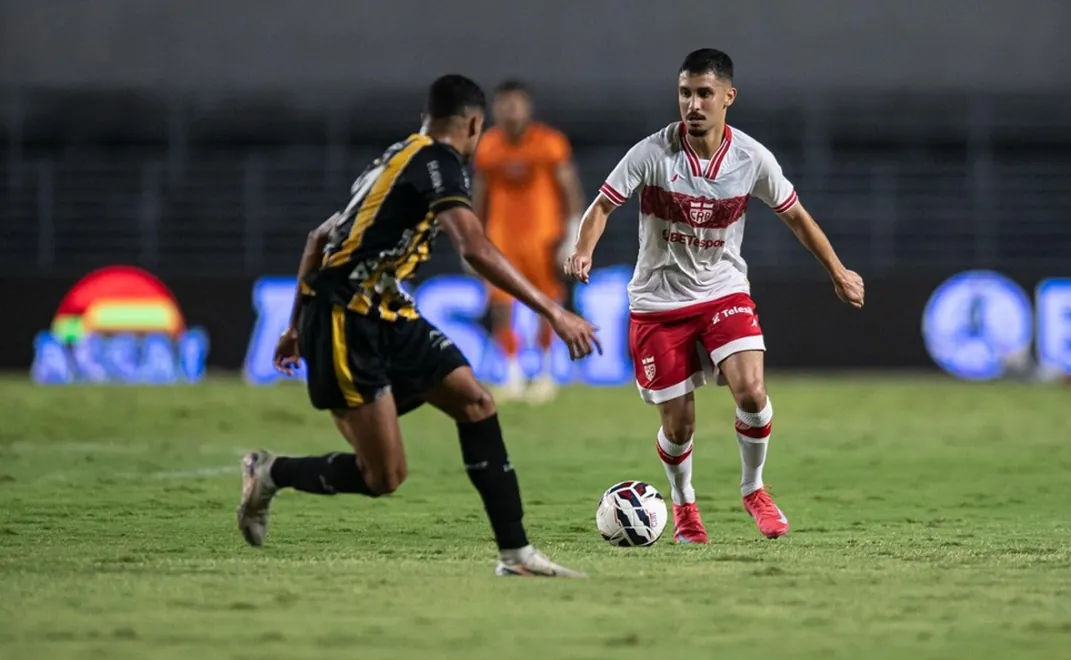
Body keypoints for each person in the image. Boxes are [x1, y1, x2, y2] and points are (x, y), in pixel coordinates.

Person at [238, 74, 600, 577]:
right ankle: (269, 472)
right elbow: (473, 245)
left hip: (385, 308)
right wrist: (555, 311)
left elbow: (318, 237)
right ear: (475, 124)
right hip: (344, 316)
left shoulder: (396, 156)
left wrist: (293, 325)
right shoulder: (439, 163)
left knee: (476, 402)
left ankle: (515, 556)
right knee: (384, 475)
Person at [564, 49, 864, 544]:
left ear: (729, 97)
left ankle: (754, 489)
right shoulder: (652, 154)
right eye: (686, 93)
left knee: (752, 391)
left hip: (722, 289)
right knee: (679, 427)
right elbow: (600, 208)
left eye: (705, 94)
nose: (694, 104)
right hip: (658, 304)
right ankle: (683, 506)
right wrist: (582, 249)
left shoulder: (752, 158)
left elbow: (797, 217)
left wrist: (837, 270)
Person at [472, 80, 585, 402]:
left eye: (516, 103)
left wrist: (572, 234)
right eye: (504, 103)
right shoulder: (488, 147)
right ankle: (511, 374)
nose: (510, 110)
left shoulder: (549, 143)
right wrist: (474, 239)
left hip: (543, 237)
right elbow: (479, 198)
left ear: (528, 106)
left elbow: (570, 189)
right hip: (501, 239)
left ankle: (547, 373)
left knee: (547, 305)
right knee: (500, 306)